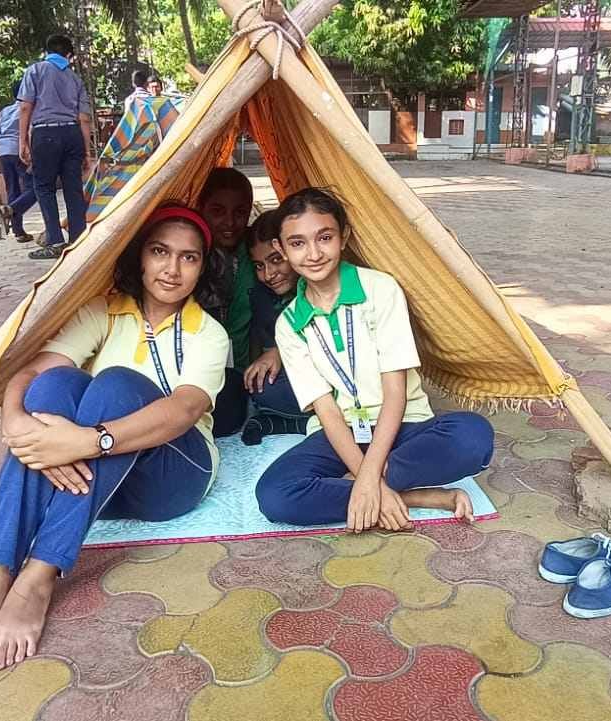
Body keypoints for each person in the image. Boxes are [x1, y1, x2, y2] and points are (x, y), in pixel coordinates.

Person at [0, 204, 228, 673]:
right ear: (140, 256)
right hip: (101, 484)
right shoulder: (104, 310)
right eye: (160, 252)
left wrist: (87, 443)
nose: (172, 269)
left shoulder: (209, 333)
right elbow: (33, 372)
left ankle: (37, 578)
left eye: (189, 257)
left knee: (117, 384)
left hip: (173, 476)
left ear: (202, 268)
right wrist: (14, 420)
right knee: (55, 385)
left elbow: (184, 410)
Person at [255, 188, 493, 532]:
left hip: (403, 425)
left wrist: (368, 477)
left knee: (472, 436)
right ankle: (416, 497)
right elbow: (327, 411)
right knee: (275, 495)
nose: (314, 253)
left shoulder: (381, 289)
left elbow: (395, 393)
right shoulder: (289, 323)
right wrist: (372, 483)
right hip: (340, 434)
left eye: (325, 238)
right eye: (297, 243)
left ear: (344, 236)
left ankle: (356, 488)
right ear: (281, 248)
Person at [18, 34, 94, 261]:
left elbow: (25, 107)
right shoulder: (75, 79)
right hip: (72, 134)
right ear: (68, 55)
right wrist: (87, 152)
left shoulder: (35, 70)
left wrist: (22, 141)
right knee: (73, 188)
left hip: (45, 134)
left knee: (44, 187)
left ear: (47, 51)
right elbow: (84, 118)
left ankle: (55, 241)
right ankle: (78, 241)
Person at [194, 168, 257, 437]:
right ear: (201, 208)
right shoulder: (190, 253)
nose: (229, 222)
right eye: (218, 211)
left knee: (226, 418)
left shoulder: (256, 251)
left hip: (244, 368)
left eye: (240, 212)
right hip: (195, 366)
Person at [240, 209, 311, 445]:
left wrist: (280, 351)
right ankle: (304, 423)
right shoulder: (263, 296)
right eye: (259, 266)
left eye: (276, 260)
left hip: (336, 379)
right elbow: (263, 344)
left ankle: (293, 423)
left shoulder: (318, 284)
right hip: (298, 381)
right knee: (262, 387)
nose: (269, 274)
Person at [84, 71, 182, 225]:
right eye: (153, 86)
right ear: (147, 86)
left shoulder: (137, 101)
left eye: (157, 86)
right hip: (143, 151)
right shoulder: (156, 104)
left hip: (135, 150)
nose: (155, 89)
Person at [0, 80, 36, 243]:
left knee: (13, 190)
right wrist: (31, 154)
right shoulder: (29, 109)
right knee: (36, 188)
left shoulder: (6, 111)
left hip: (3, 152)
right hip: (19, 151)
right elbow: (30, 132)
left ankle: (18, 232)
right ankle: (10, 209)